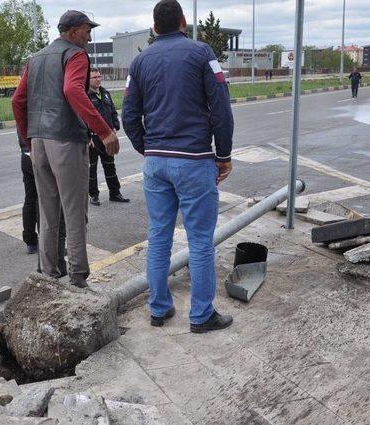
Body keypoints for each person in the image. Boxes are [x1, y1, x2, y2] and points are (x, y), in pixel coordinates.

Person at [122, 0, 234, 334]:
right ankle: (201, 316)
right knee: (200, 240)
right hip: (194, 161)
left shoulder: (139, 61)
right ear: (183, 22)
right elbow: (221, 108)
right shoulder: (201, 54)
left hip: (155, 163)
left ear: (154, 27)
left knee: (159, 237)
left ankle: (159, 309)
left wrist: (148, 149)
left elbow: (129, 115)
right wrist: (223, 154)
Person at [12, 10, 120, 288]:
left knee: (48, 212)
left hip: (39, 144)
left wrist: (29, 139)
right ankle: (78, 276)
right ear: (72, 32)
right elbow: (73, 90)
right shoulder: (76, 55)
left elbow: (17, 101)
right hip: (66, 142)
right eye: (86, 29)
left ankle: (48, 274)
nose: (90, 35)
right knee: (75, 212)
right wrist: (104, 130)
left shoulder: (35, 58)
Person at [18, 131, 67, 277]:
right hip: (42, 154)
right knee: (52, 210)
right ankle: (53, 262)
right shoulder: (38, 109)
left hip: (27, 154)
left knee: (31, 200)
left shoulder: (23, 109)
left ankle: (31, 241)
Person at [88, 68, 130, 206]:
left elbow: (112, 111)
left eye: (99, 76)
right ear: (88, 79)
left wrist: (115, 127)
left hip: (107, 137)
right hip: (93, 139)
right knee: (91, 169)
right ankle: (93, 195)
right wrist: (87, 137)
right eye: (95, 77)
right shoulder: (85, 95)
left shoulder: (105, 93)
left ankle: (115, 193)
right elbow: (82, 118)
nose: (98, 79)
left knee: (110, 166)